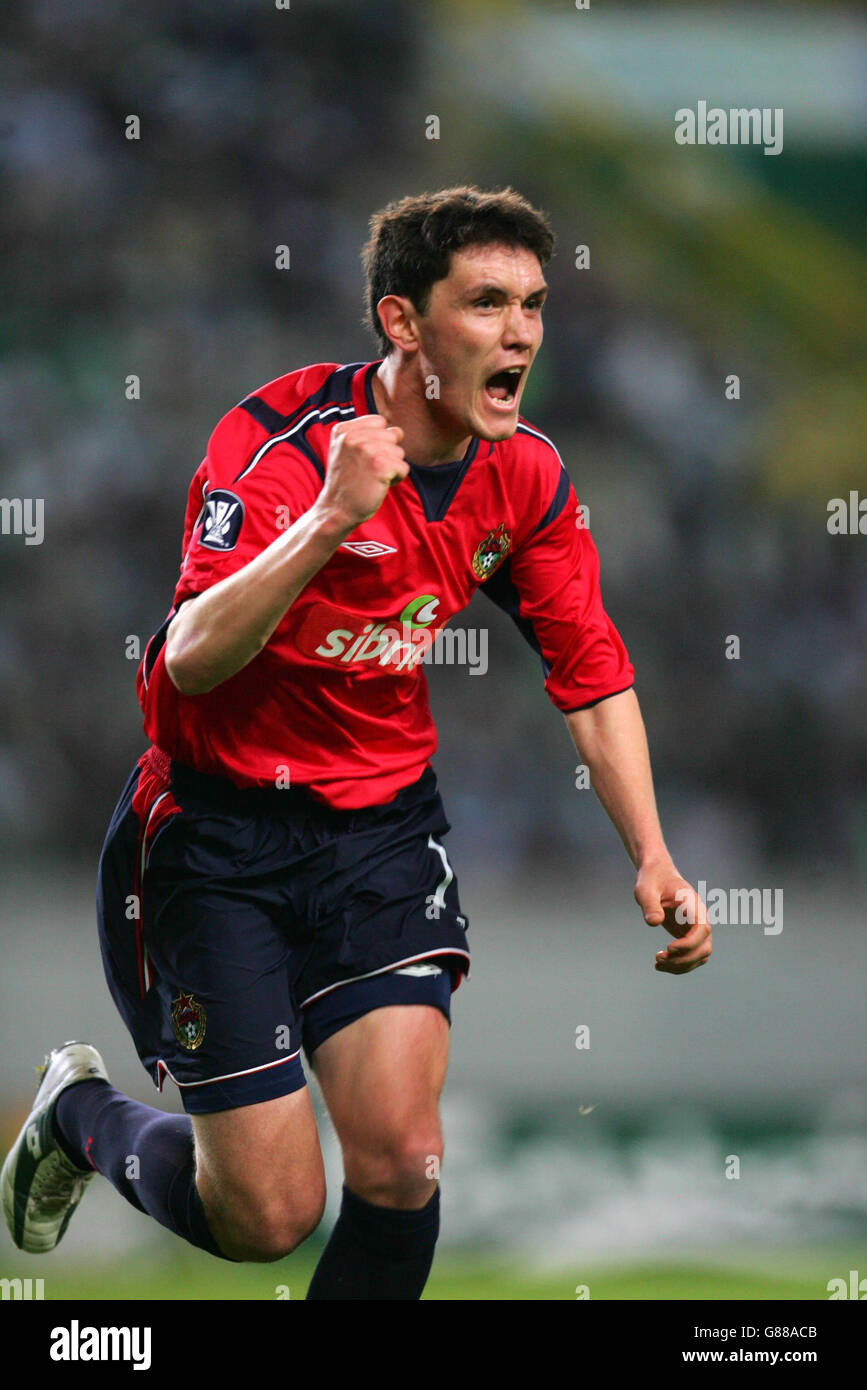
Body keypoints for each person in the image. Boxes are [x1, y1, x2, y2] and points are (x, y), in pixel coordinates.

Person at [1, 186, 711, 1299]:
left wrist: (652, 852)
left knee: (401, 1160)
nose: (520, 329)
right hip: (214, 840)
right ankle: (80, 1117)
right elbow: (188, 657)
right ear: (403, 323)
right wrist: (330, 518)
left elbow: (591, 666)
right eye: (485, 302)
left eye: (531, 302)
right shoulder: (279, 447)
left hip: (380, 835)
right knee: (269, 1216)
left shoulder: (523, 472)